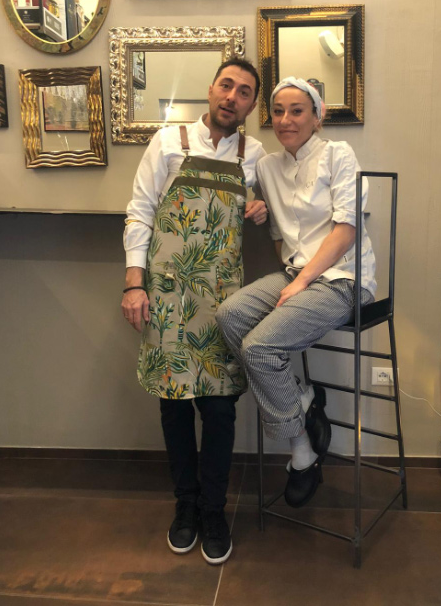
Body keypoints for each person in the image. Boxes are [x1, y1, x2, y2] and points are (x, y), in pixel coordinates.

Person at [122, 58, 267, 565]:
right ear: (211, 89)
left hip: (222, 302)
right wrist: (134, 284)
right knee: (175, 406)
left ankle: (213, 510)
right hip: (165, 296)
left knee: (221, 410)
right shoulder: (167, 143)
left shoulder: (256, 155)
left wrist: (261, 207)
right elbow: (140, 212)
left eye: (244, 92)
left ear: (252, 105)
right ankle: (184, 505)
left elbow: (282, 209)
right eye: (227, 85)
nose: (232, 96)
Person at [216, 76, 376, 509]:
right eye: (279, 111)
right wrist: (257, 208)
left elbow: (346, 230)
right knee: (230, 315)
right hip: (294, 273)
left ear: (317, 117)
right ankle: (301, 399)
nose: (286, 119)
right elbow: (276, 233)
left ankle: (302, 452)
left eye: (298, 110)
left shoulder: (338, 154)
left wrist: (303, 281)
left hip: (343, 278)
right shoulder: (267, 167)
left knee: (259, 348)